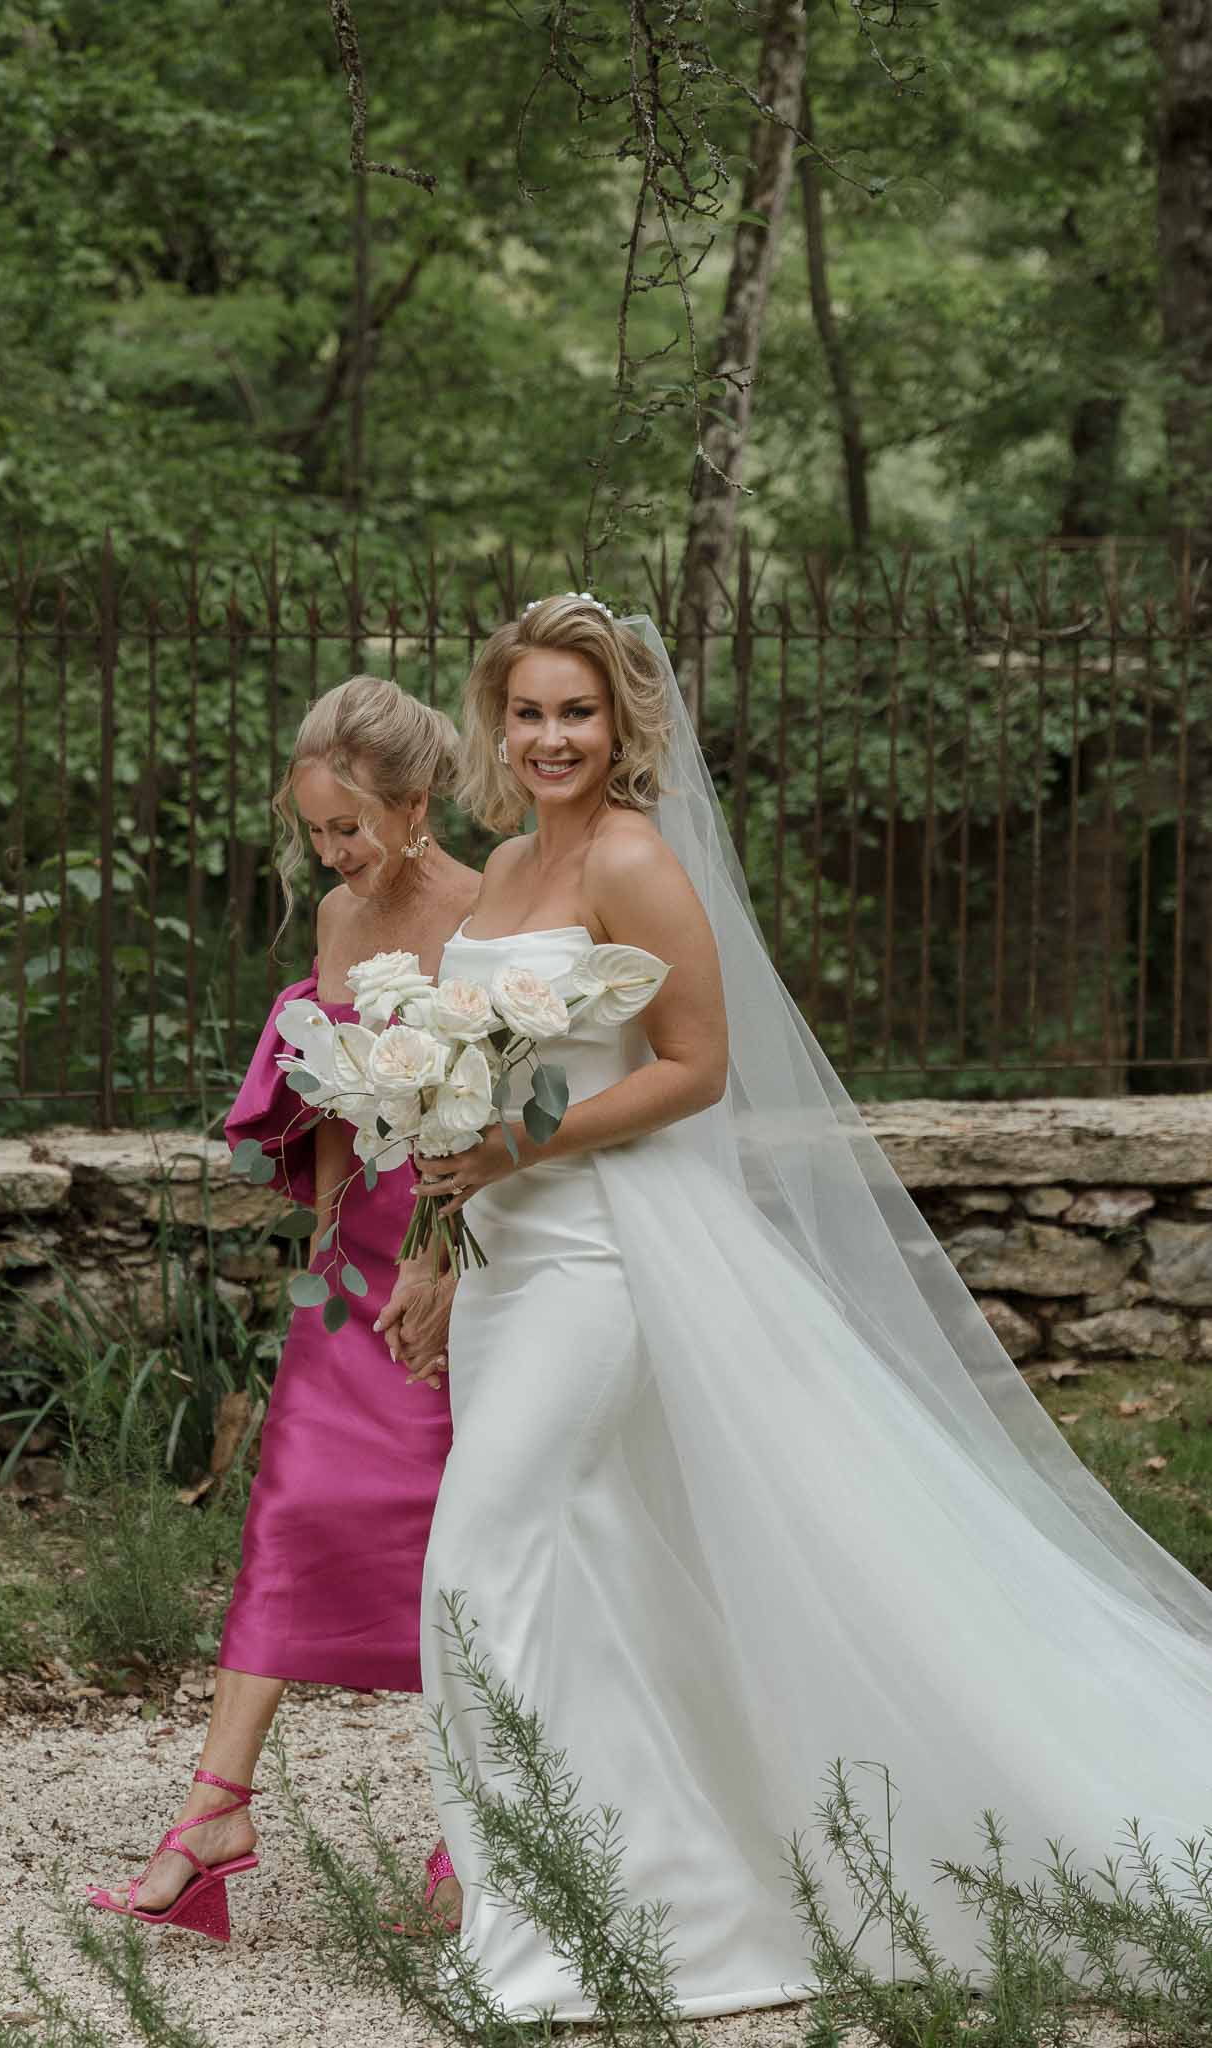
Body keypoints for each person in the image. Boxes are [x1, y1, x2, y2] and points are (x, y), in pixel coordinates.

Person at [413, 594, 1212, 2022]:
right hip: (500, 1257)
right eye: (528, 712)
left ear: (620, 724)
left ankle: (574, 1915)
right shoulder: (495, 868)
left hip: (602, 1256)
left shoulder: (632, 859)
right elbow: (459, 1094)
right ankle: (630, 1888)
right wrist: (433, 1237)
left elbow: (694, 1067)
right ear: (496, 720)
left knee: (478, 1562)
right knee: (598, 1567)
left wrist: (523, 1145)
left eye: (576, 713)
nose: (551, 738)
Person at [87, 674, 476, 1940]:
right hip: (354, 1259)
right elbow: (318, 1096)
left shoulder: (493, 913)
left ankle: (471, 1833)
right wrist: (323, 1235)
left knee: (462, 1542)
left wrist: (453, 1261)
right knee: (293, 1507)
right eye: (315, 830)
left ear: (417, 802)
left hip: (468, 1262)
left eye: (350, 827)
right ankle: (212, 1809)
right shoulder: (335, 912)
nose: (333, 852)